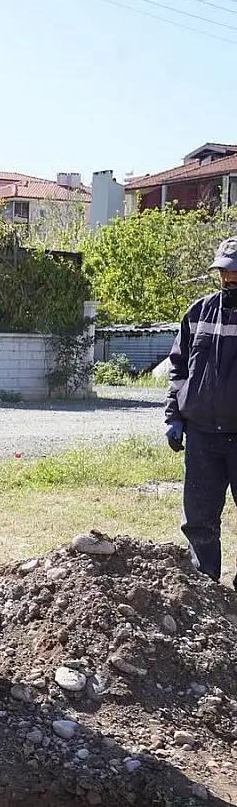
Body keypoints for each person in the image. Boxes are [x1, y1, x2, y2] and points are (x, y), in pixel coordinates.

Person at [165, 236, 237, 589]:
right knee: (199, 518)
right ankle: (205, 589)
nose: (230, 279)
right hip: (202, 435)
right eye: (224, 272)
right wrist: (174, 416)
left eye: (235, 272)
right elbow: (178, 369)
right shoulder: (198, 312)